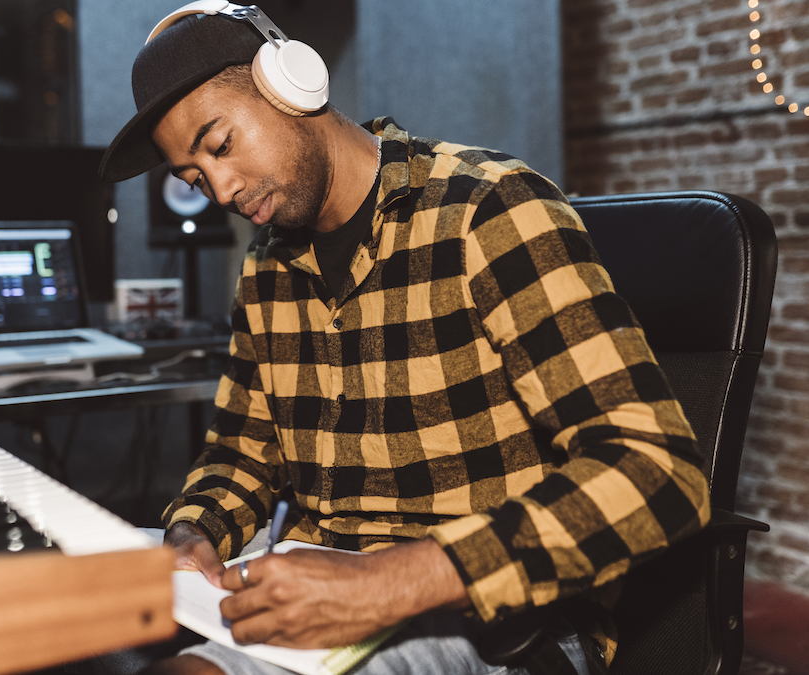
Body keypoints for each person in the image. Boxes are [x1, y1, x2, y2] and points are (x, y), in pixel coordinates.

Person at [99, 5, 710, 675]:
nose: (219, 188)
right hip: (317, 598)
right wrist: (193, 533)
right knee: (86, 632)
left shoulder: (489, 211)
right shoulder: (266, 269)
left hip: (499, 620)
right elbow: (240, 454)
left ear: (289, 82)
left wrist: (388, 582)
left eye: (219, 146)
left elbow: (659, 472)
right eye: (193, 178)